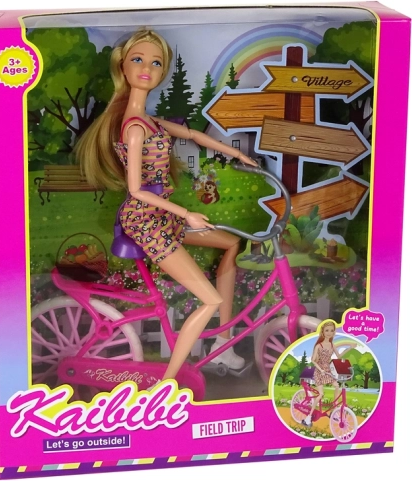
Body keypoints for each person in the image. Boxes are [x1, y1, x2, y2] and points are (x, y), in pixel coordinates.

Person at [74, 28, 257, 384]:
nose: (147, 69)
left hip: (160, 215)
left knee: (231, 243)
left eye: (156, 63)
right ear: (122, 66)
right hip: (146, 221)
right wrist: (187, 214)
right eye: (138, 60)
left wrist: (235, 153)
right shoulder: (134, 129)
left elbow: (191, 134)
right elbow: (136, 190)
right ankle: (167, 384)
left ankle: (223, 341)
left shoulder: (150, 121)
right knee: (209, 299)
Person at [302, 321, 357, 426]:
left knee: (337, 386)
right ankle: (308, 417)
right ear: (322, 332)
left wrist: (350, 348)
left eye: (331, 330)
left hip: (328, 370)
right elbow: (313, 360)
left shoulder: (332, 345)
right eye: (327, 330)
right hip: (320, 371)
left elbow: (339, 356)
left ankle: (334, 409)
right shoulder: (319, 346)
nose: (329, 333)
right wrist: (320, 369)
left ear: (334, 332)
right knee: (321, 394)